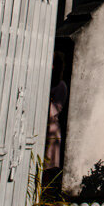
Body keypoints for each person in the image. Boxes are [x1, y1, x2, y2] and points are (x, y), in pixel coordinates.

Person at [44, 52, 68, 188]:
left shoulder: (61, 86)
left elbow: (55, 109)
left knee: (49, 167)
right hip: (43, 130)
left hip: (52, 130)